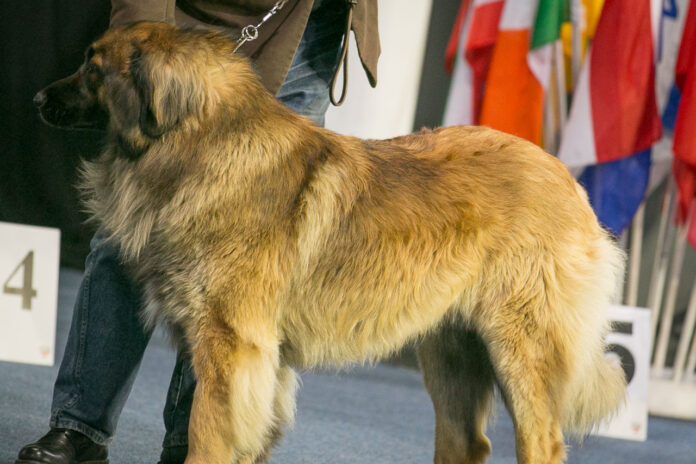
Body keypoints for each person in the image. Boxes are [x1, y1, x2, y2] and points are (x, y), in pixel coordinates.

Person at [16, 1, 379, 463]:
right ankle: (80, 427)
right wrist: (136, 44)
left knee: (240, 287)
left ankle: (199, 445)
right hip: (200, 38)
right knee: (127, 237)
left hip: (313, 31)